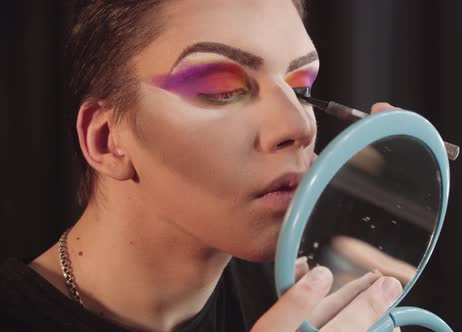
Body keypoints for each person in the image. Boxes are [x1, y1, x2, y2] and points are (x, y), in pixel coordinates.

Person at [0, 0, 402, 331]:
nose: (297, 126)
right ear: (106, 140)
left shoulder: (305, 297)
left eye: (300, 89)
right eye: (223, 90)